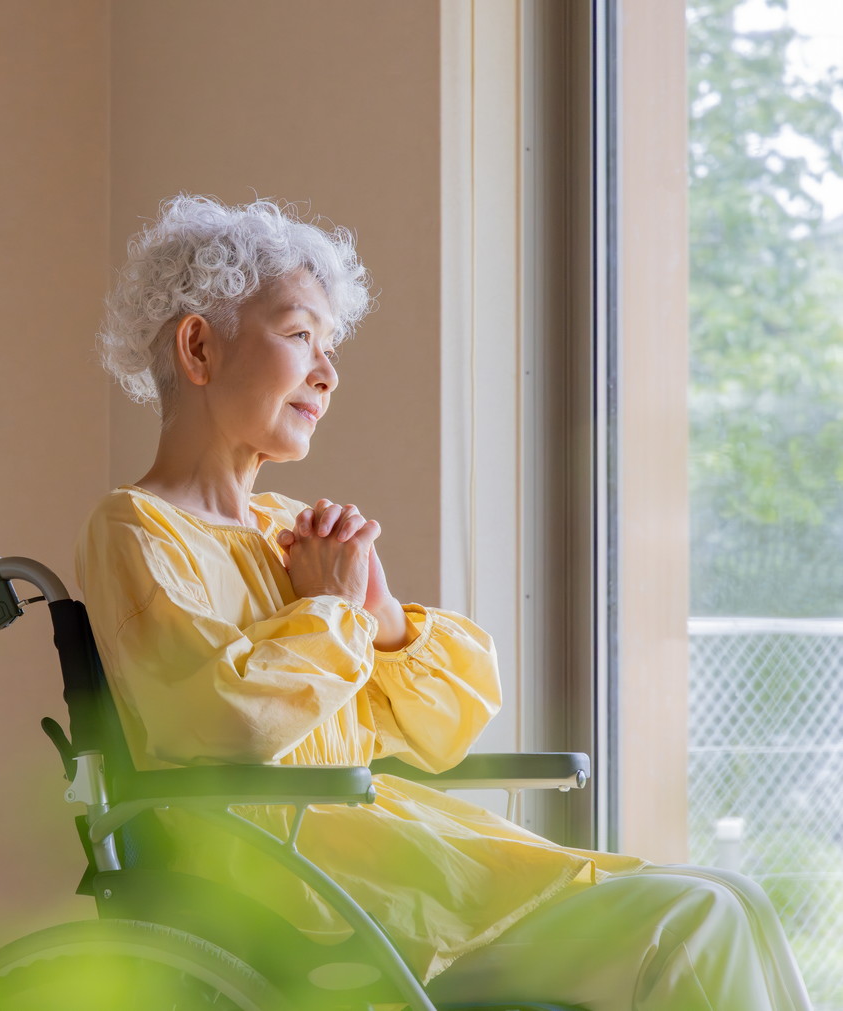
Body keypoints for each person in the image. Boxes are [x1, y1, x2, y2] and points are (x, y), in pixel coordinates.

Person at [73, 193, 811, 1009]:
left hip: (385, 866)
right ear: (199, 345)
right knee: (700, 917)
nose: (327, 370)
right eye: (298, 335)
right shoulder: (136, 527)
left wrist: (379, 618)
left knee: (733, 897)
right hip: (305, 894)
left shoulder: (291, 534)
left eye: (330, 345)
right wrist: (333, 612)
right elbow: (223, 723)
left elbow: (439, 730)